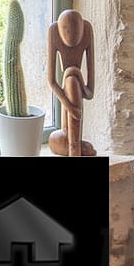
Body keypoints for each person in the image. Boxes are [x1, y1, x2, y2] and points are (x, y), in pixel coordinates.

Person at [46, 9, 96, 156]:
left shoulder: (87, 30)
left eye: (74, 29)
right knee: (70, 82)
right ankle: (74, 147)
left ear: (81, 28)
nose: (70, 33)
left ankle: (74, 147)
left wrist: (77, 74)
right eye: (66, 29)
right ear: (60, 29)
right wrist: (71, 108)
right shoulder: (53, 31)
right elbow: (51, 81)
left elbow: (89, 93)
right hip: (69, 104)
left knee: (72, 82)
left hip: (74, 87)